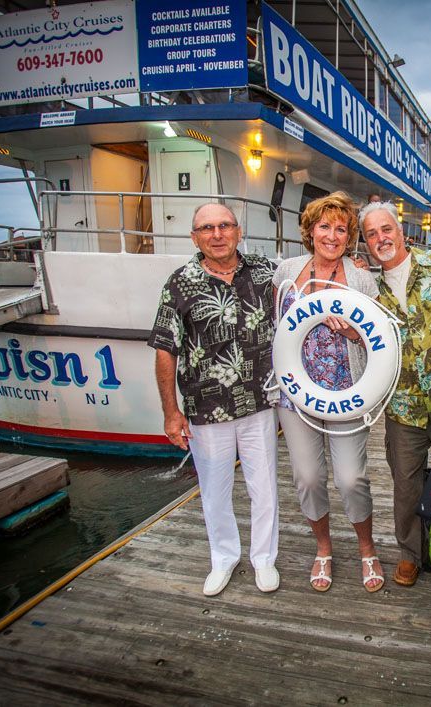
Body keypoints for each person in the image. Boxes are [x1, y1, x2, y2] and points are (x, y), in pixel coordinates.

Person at [150, 203, 280, 596]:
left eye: (225, 225)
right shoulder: (179, 284)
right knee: (215, 490)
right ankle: (223, 557)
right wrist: (171, 413)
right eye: (207, 228)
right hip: (206, 409)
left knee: (264, 487)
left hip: (259, 401)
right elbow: (165, 349)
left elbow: (301, 299)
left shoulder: (266, 272)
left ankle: (264, 559)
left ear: (238, 231)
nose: (217, 234)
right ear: (195, 238)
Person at [272, 191, 386, 593]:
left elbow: (379, 337)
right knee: (307, 477)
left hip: (347, 389)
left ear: (349, 236)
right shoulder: (286, 271)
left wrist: (354, 332)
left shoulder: (360, 277)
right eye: (324, 226)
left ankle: (367, 549)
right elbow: (275, 326)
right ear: (310, 230)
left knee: (352, 478)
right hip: (295, 393)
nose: (332, 236)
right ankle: (323, 548)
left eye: (341, 229)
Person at [359, 200, 431, 587]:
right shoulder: (367, 288)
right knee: (406, 486)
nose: (381, 238)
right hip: (402, 405)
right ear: (365, 243)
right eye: (372, 234)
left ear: (401, 231)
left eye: (386, 229)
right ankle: (411, 553)